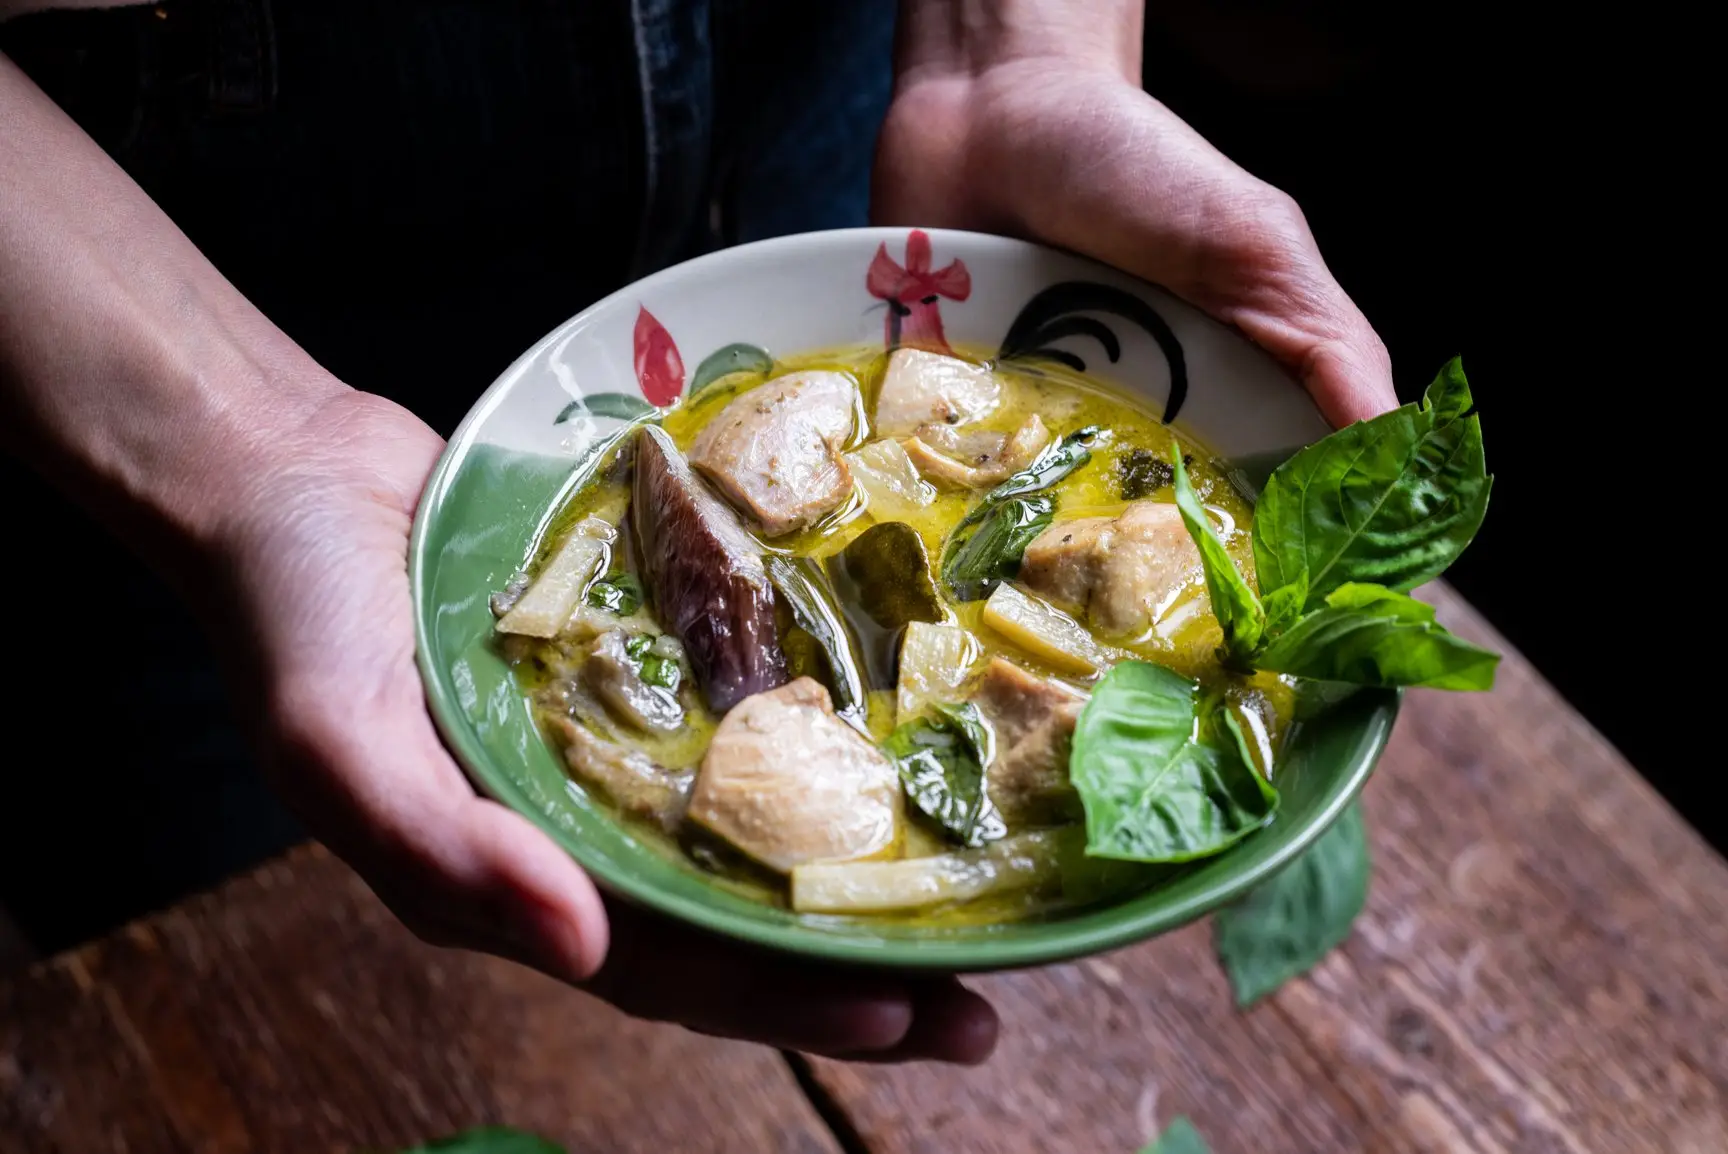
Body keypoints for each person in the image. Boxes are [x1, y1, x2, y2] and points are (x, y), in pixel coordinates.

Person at [0, 0, 1394, 1065]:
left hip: (832, 134)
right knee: (238, 993)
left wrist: (1013, 56)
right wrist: (243, 445)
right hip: (150, 288)